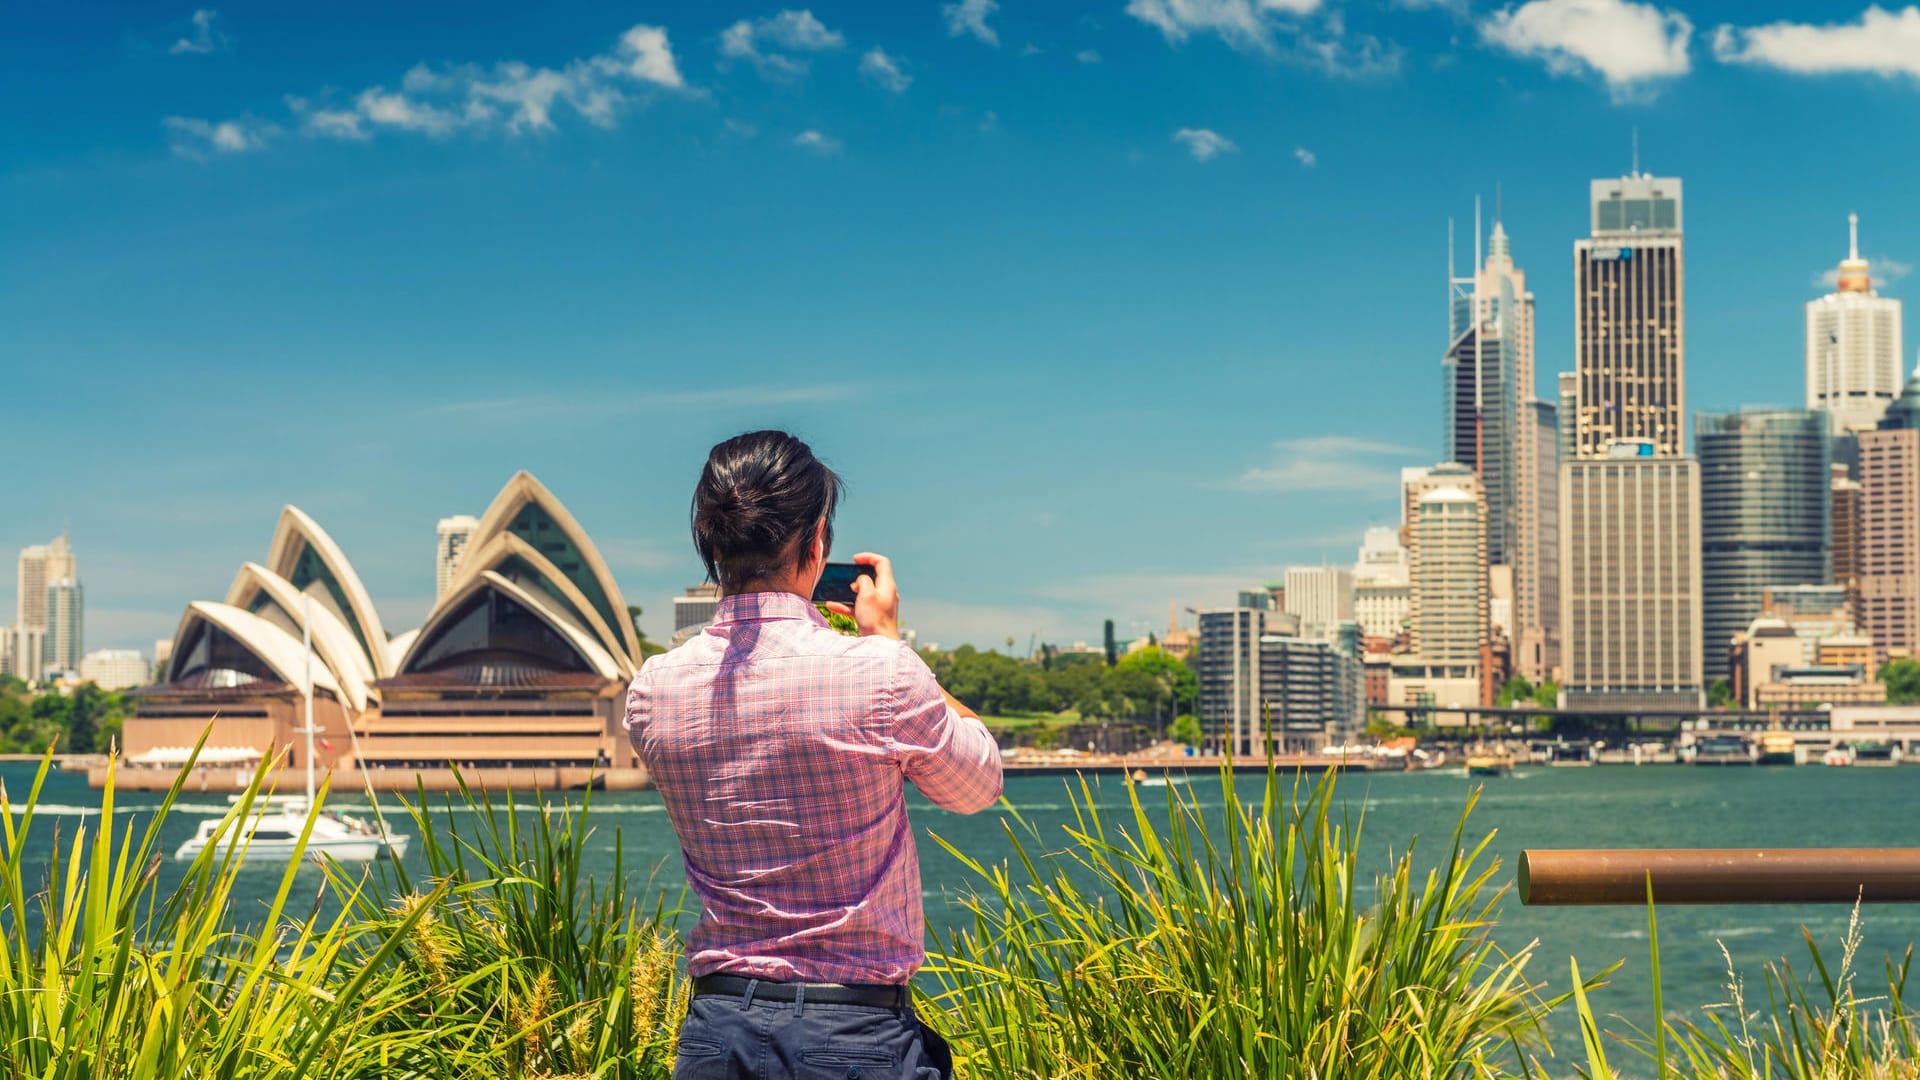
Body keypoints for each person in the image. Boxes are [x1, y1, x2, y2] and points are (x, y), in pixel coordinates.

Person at [625, 430, 1003, 1080]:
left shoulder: (654, 691)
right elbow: (977, 783)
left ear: (712, 544)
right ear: (817, 539)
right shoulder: (879, 673)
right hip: (853, 1030)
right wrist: (888, 641)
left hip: (718, 1033)